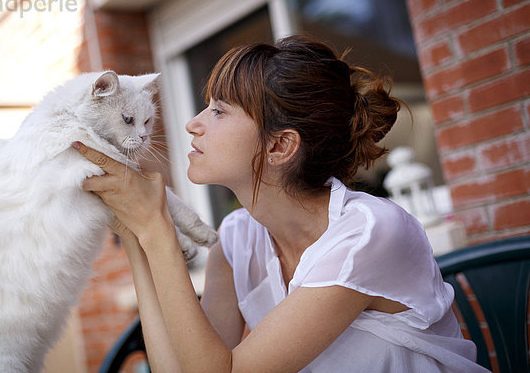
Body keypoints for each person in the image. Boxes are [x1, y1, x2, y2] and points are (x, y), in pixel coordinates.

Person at [72, 35, 489, 372]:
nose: (193, 123)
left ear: (279, 145)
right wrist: (134, 234)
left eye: (219, 111)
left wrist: (157, 228)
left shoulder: (367, 233)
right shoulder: (237, 240)